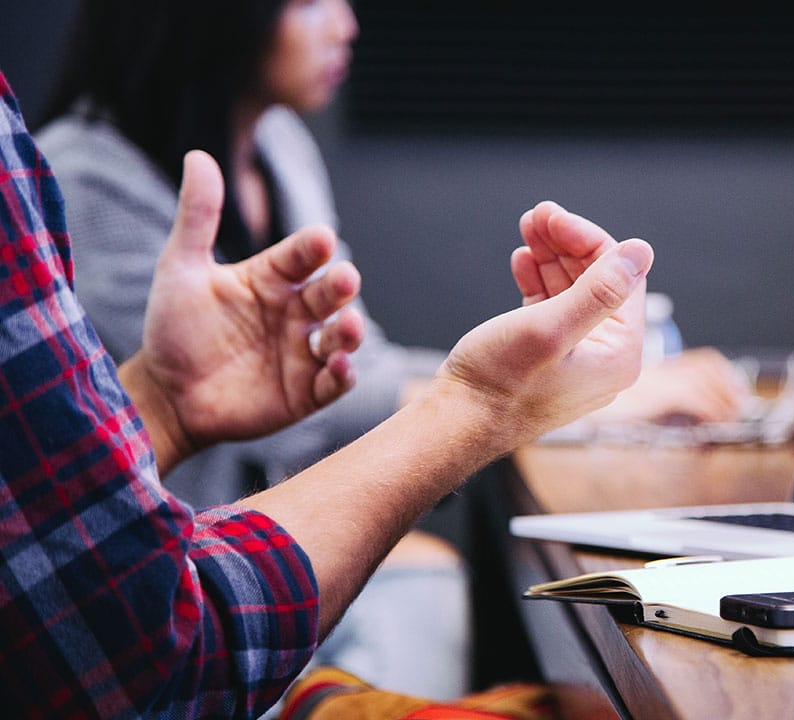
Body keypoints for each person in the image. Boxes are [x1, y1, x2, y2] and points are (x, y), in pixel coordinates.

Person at [35, 0, 745, 698]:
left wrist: (541, 383)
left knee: (431, 578)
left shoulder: (278, 145)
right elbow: (314, 413)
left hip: (246, 547)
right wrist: (539, 398)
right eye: (311, 2)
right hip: (160, 596)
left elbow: (346, 368)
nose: (346, 23)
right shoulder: (85, 178)